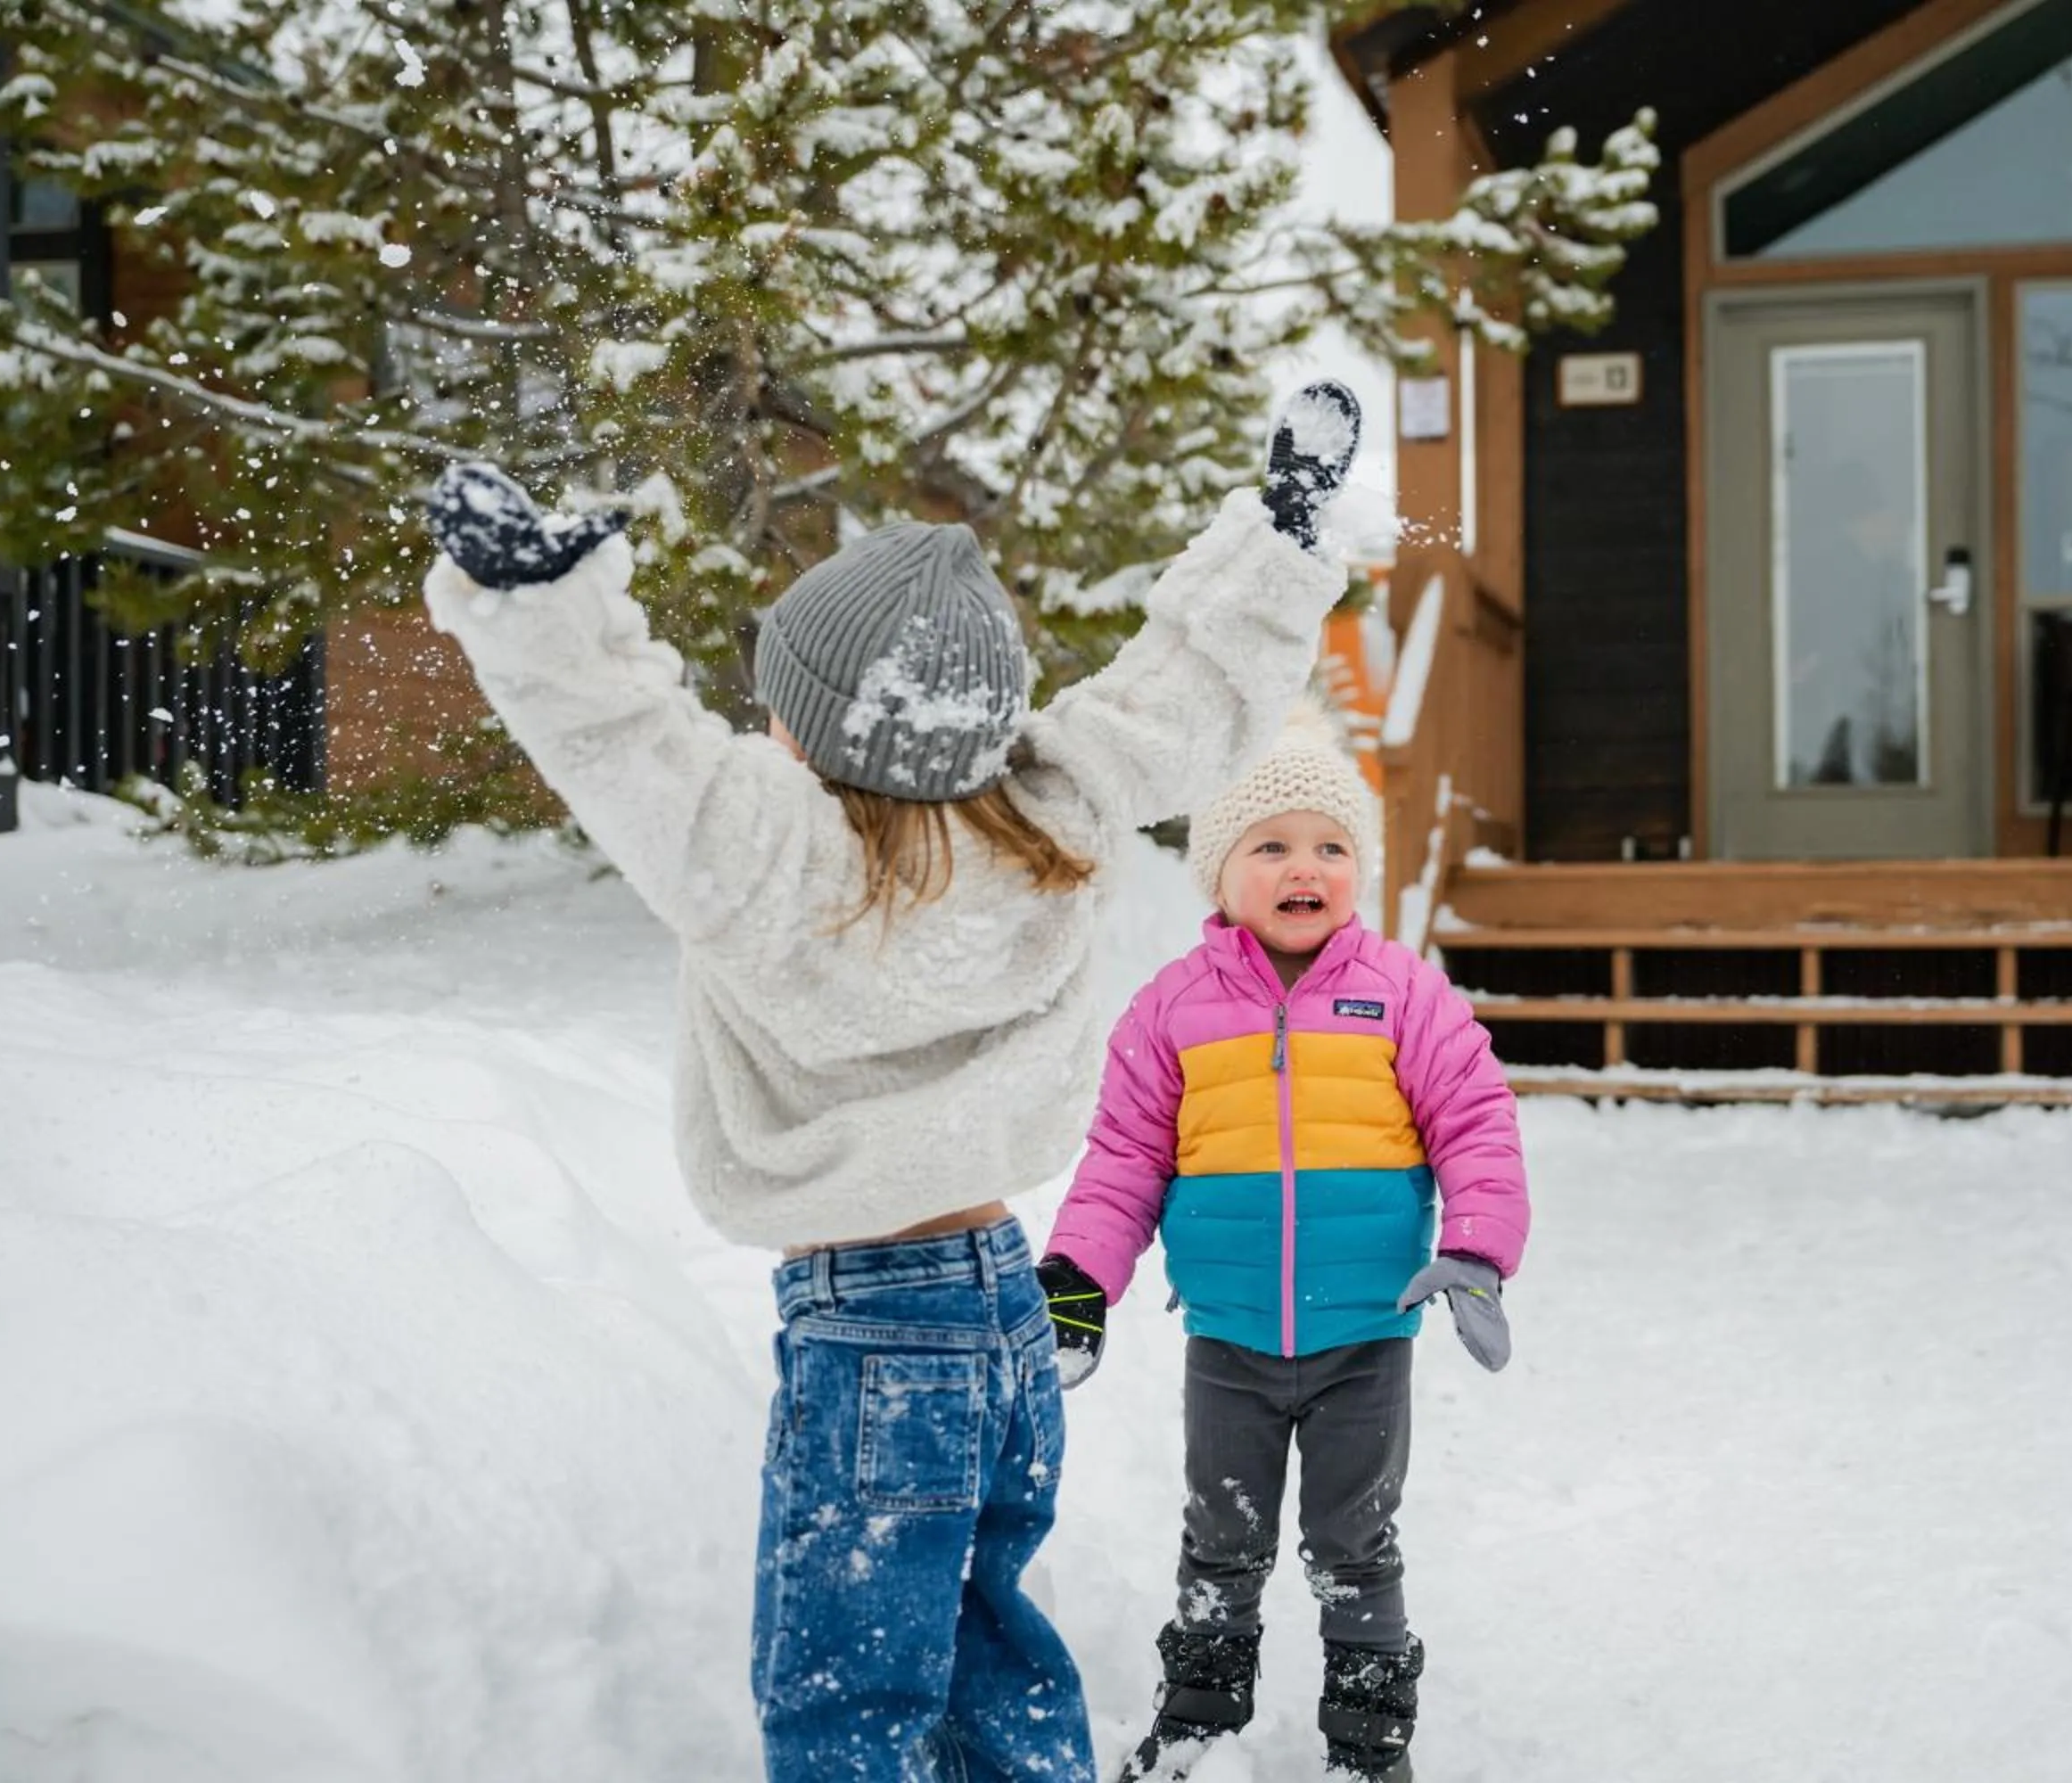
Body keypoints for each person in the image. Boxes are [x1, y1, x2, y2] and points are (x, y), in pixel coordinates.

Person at [417, 382, 1364, 1783]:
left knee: (847, 1699)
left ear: (809, 723)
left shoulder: (763, 851)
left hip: (869, 1337)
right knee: (991, 1657)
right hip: (1002, 1311)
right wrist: (1280, 541)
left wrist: (538, 603)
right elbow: (1191, 692)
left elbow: (622, 739)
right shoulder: (1056, 807)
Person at [1035, 703, 1529, 1783]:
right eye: (1272, 845)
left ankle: (1366, 1743)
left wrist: (1480, 1249)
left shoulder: (1406, 996)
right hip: (1232, 1337)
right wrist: (1077, 1275)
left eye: (1331, 846)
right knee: (1224, 1537)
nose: (1305, 865)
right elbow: (1123, 1156)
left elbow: (1476, 1120)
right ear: (1220, 872)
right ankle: (1198, 1722)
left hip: (1366, 1332)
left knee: (1355, 1545)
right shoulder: (1172, 1009)